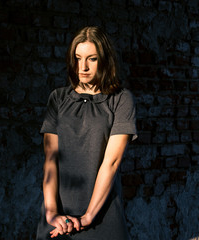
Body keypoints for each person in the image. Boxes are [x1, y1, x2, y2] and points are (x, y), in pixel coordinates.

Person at [36, 26, 137, 240]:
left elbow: (111, 162)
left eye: (91, 59)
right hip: (58, 218)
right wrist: (52, 212)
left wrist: (88, 216)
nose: (82, 67)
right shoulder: (58, 99)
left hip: (102, 215)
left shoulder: (121, 100)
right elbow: (50, 160)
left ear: (105, 60)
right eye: (77, 58)